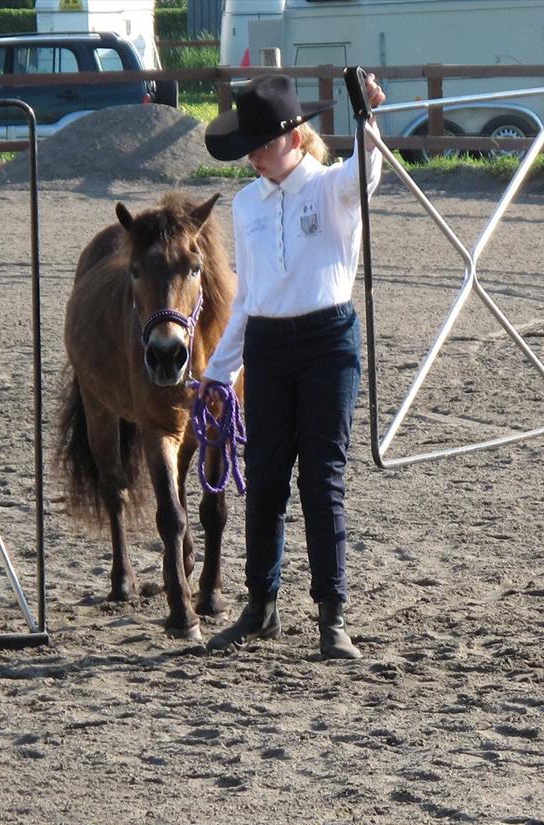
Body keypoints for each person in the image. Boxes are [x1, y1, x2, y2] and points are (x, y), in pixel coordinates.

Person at [199, 73, 386, 660]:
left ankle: (332, 617)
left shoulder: (331, 188)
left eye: (261, 142)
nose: (253, 154)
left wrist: (367, 120)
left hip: (329, 343)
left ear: (294, 136)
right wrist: (217, 373)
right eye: (249, 145)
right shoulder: (246, 203)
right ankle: (261, 606)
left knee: (321, 479)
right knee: (265, 478)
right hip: (269, 348)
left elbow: (367, 173)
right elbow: (248, 299)